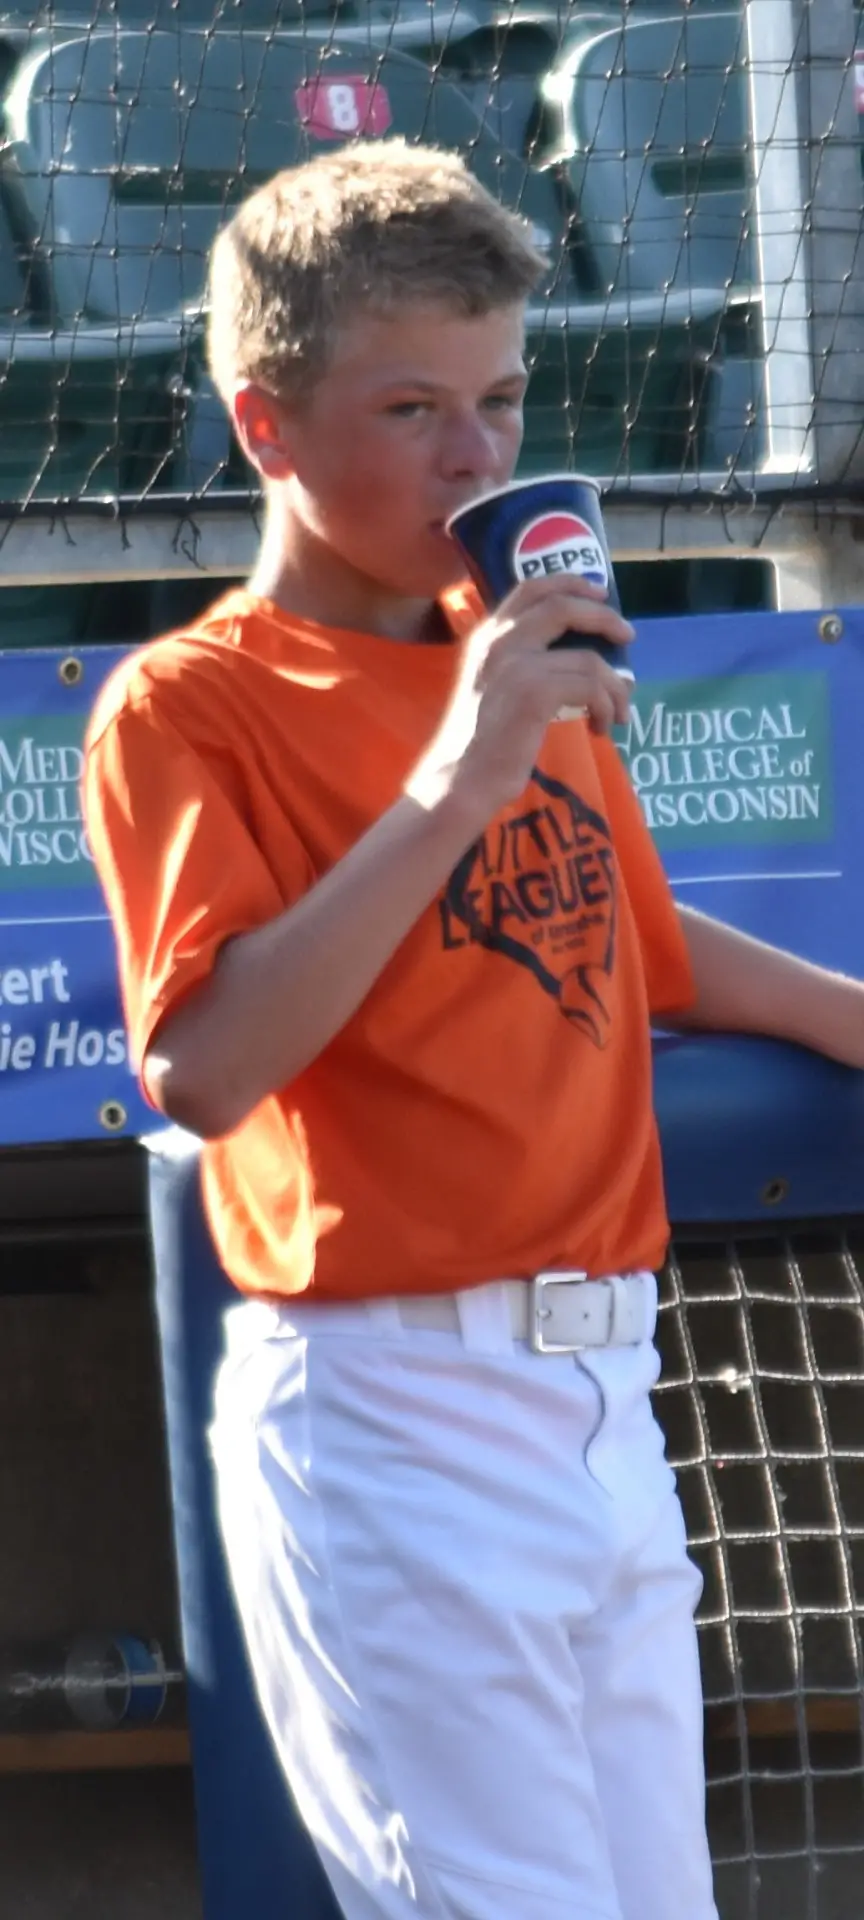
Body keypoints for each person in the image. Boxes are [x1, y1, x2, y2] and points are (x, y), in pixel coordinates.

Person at [83, 140, 864, 1920]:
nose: (477, 455)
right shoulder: (190, 704)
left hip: (607, 1399)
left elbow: (645, 948)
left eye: (501, 398)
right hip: (388, 1413)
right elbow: (203, 1063)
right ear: (267, 427)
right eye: (413, 408)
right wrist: (458, 773)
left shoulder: (504, 651)